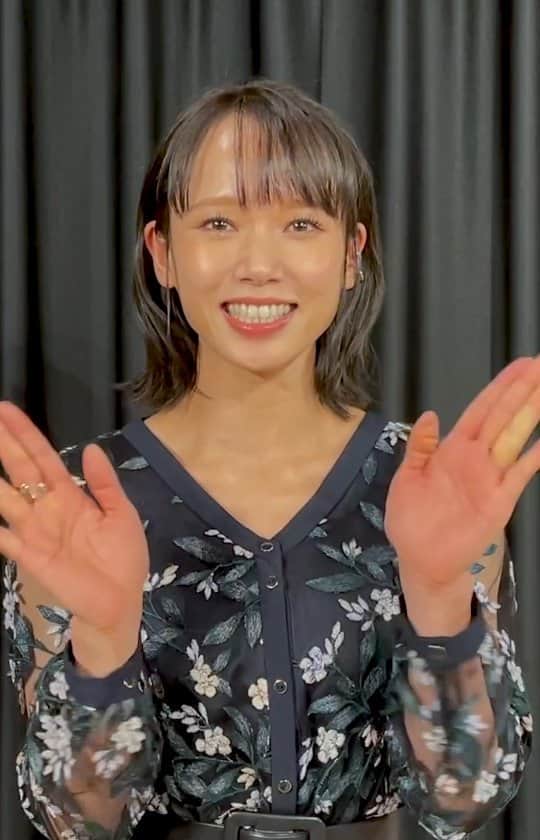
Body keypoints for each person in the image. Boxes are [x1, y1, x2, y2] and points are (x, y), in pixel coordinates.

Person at [0, 78, 536, 840]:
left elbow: (467, 802)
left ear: (351, 255)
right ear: (162, 253)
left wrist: (441, 598)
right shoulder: (76, 507)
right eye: (219, 222)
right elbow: (76, 823)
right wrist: (105, 647)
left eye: (301, 224)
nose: (259, 264)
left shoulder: (427, 492)